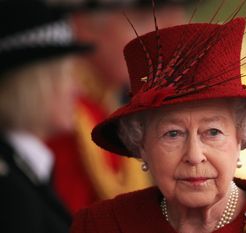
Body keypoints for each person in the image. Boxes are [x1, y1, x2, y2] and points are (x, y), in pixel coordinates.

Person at [70, 3, 246, 233]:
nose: (194, 155)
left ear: (241, 138)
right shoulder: (99, 226)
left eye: (212, 132)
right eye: (172, 133)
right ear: (142, 147)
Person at [46, 0, 195, 214]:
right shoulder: (61, 119)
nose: (168, 31)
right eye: (145, 18)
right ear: (85, 24)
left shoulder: (110, 103)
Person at [0, 0, 91, 232]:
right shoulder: (9, 191)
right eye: (65, 75)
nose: (77, 89)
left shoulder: (23, 168)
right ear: (32, 85)